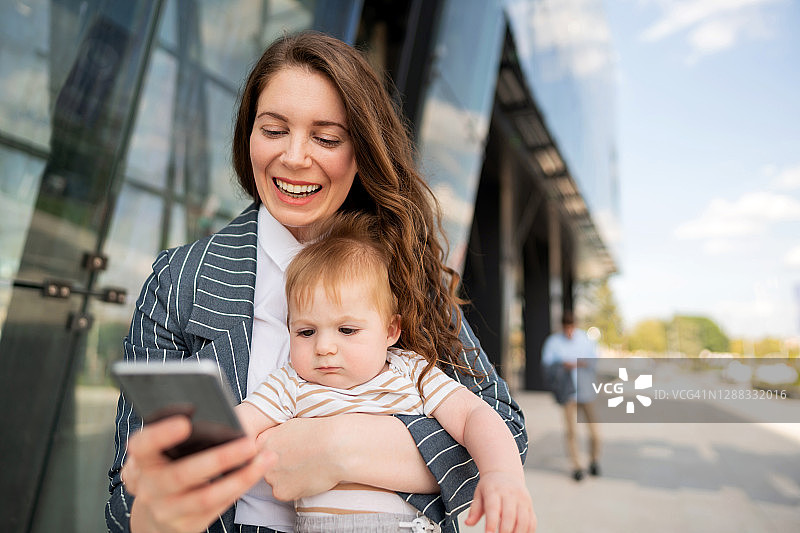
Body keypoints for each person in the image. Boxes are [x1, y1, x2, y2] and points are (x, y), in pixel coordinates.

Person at [107, 30, 531, 533]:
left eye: (327, 138)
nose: (294, 157)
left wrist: (340, 449)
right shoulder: (180, 281)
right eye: (273, 130)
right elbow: (125, 500)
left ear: (361, 151)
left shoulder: (405, 268)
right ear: (248, 135)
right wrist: (157, 511)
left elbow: (507, 433)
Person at [235, 212, 534, 532]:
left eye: (346, 330)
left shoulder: (411, 371)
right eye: (306, 332)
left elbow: (475, 414)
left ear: (391, 330)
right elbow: (234, 428)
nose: (324, 347)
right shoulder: (291, 382)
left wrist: (501, 473)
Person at [541, 311, 601, 481]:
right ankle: (577, 466)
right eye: (566, 328)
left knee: (595, 431)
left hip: (586, 390)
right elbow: (546, 365)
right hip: (567, 392)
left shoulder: (585, 339)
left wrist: (579, 363)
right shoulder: (553, 342)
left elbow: (594, 361)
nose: (569, 332)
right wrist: (562, 364)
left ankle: (594, 460)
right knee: (571, 432)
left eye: (571, 328)